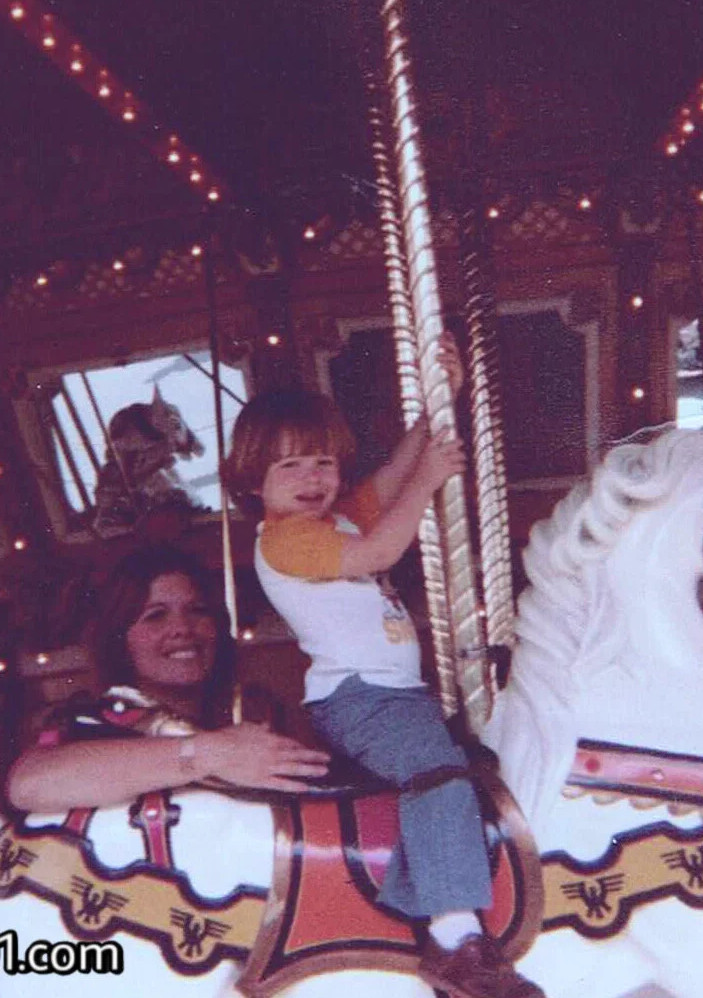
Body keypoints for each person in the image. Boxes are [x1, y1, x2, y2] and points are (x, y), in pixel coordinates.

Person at [222, 336, 543, 998]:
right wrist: (429, 482)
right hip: (362, 697)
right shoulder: (286, 538)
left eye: (322, 462)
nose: (312, 477)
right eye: (290, 467)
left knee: (473, 772)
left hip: (395, 692)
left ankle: (412, 892)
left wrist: (437, 410)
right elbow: (377, 550)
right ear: (255, 482)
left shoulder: (332, 516)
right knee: (440, 776)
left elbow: (392, 477)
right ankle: (457, 941)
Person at [6, 544, 329, 812]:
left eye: (198, 610)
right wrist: (208, 754)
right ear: (120, 637)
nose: (183, 629)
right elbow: (29, 784)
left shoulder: (256, 711)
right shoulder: (94, 722)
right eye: (155, 616)